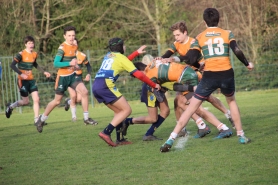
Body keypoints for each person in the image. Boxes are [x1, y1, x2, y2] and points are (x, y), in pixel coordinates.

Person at [160, 8, 254, 152]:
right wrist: (247, 64)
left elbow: (191, 59)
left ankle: (170, 139)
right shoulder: (227, 33)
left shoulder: (199, 37)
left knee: (191, 108)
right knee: (232, 101)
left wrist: (198, 65)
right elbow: (237, 50)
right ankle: (241, 135)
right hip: (227, 73)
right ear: (219, 19)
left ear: (204, 22)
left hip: (209, 75)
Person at [123, 60, 233, 140]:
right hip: (187, 73)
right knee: (180, 102)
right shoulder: (152, 64)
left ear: (139, 71)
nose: (139, 78)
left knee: (197, 108)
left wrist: (190, 88)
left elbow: (175, 86)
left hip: (186, 77)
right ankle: (201, 126)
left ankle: (222, 128)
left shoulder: (150, 76)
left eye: (137, 76)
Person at [161, 20, 234, 128]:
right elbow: (167, 54)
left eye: (178, 35)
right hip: (186, 75)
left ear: (185, 32)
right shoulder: (176, 44)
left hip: (198, 73)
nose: (176, 37)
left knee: (189, 100)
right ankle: (194, 126)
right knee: (179, 100)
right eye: (174, 35)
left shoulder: (193, 42)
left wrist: (174, 59)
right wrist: (160, 59)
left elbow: (191, 60)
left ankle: (212, 124)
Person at [93, 37, 161, 147]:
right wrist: (153, 84)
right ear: (120, 47)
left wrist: (136, 53)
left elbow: (124, 61)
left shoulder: (109, 55)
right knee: (127, 110)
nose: (125, 47)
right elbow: (138, 74)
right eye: (123, 45)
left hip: (96, 85)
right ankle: (106, 132)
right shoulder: (120, 57)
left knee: (119, 112)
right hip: (106, 85)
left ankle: (119, 139)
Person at [35, 26, 96, 133]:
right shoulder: (62, 48)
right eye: (69, 36)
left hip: (72, 76)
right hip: (62, 78)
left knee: (85, 92)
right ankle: (42, 119)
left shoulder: (74, 47)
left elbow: (74, 61)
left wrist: (75, 66)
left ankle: (86, 118)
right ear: (64, 36)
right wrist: (69, 63)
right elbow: (56, 63)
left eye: (73, 35)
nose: (71, 38)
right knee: (57, 101)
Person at [5, 36, 51, 124]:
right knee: (26, 101)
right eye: (29, 43)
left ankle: (36, 120)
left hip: (31, 80)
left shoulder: (34, 54)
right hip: (22, 81)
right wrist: (21, 74)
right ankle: (11, 106)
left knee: (36, 99)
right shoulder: (21, 54)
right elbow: (12, 65)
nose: (31, 45)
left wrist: (44, 72)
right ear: (25, 44)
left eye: (32, 43)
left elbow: (35, 64)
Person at [63, 38, 97, 124]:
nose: (73, 45)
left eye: (74, 43)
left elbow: (88, 66)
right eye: (71, 43)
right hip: (69, 78)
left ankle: (69, 101)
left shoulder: (82, 55)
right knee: (73, 96)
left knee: (78, 99)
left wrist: (88, 74)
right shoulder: (65, 55)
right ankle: (74, 117)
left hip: (78, 79)